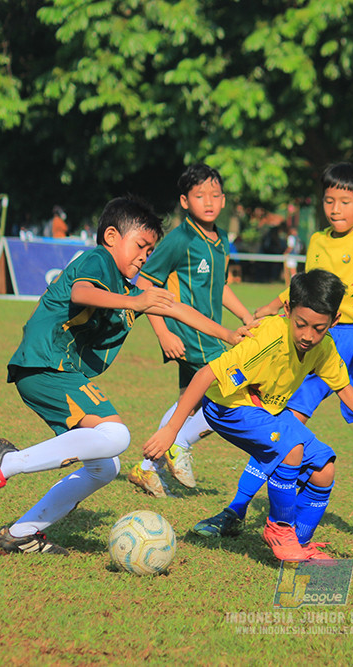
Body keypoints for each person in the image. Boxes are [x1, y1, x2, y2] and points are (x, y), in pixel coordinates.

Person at [0, 196, 246, 556]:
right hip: (46, 363)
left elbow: (176, 307)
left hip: (58, 371)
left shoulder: (127, 286)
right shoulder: (99, 261)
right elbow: (81, 291)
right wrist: (135, 303)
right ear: (110, 236)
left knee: (105, 466)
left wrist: (229, 335)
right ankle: (4, 462)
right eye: (140, 246)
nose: (144, 256)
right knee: (116, 434)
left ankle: (21, 533)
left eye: (150, 250)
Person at [194, 162, 353, 552]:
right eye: (329, 200)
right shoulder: (317, 240)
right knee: (282, 426)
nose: (335, 208)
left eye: (345, 201)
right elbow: (304, 290)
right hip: (324, 337)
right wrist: (268, 308)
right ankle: (238, 510)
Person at [143, 269, 353, 560]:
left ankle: (297, 541)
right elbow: (206, 374)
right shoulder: (267, 339)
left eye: (319, 328)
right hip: (227, 408)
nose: (308, 336)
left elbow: (343, 385)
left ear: (334, 322)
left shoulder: (324, 347)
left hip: (265, 410)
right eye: (301, 324)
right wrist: (172, 430)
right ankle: (279, 529)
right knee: (291, 449)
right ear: (288, 310)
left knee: (324, 470)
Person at [128, 164, 255, 498]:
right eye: (200, 196)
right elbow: (146, 283)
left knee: (192, 401)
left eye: (214, 195)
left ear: (224, 199)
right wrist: (162, 333)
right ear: (185, 201)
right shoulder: (181, 239)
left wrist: (245, 316)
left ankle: (147, 468)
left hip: (212, 332)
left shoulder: (221, 238)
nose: (208, 201)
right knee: (233, 390)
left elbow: (220, 285)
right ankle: (178, 443)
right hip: (190, 334)